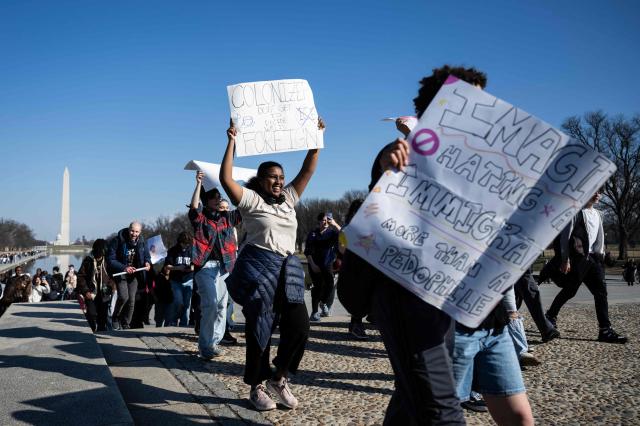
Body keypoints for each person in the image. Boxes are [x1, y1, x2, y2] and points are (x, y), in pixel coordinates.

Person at [366, 65, 492, 424]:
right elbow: (374, 222)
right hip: (406, 296)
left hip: (443, 300)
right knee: (442, 410)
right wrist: (385, 168)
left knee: (413, 397)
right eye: (474, 100)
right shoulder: (401, 154)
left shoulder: (477, 164)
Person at [221, 117, 324, 411]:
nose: (279, 181)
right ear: (261, 178)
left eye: (281, 176)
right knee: (260, 329)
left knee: (300, 327)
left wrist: (316, 136)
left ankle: (279, 378)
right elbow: (227, 179)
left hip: (288, 272)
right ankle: (256, 387)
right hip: (259, 271)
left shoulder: (289, 198)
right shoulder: (252, 200)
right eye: (273, 177)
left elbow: (309, 167)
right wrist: (231, 142)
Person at [545, 190, 628, 344]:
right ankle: (550, 315)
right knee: (570, 290)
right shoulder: (576, 212)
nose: (597, 194)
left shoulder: (598, 214)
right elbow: (565, 237)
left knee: (601, 293)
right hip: (578, 259)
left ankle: (605, 330)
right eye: (594, 190)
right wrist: (565, 259)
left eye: (600, 192)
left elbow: (599, 238)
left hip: (594, 260)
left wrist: (601, 255)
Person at [452, 296, 534, 426]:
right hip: (447, 326)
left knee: (519, 419)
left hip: (494, 325)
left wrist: (510, 307)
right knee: (440, 416)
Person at [189, 171, 242, 359]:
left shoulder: (227, 217)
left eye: (219, 197)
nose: (217, 200)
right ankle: (205, 346)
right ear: (207, 200)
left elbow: (244, 208)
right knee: (210, 305)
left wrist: (238, 185)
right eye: (213, 197)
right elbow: (194, 208)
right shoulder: (200, 219)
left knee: (221, 307)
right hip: (205, 268)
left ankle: (214, 342)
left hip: (224, 268)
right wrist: (198, 184)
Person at [107, 221, 152, 330]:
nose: (134, 234)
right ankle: (115, 317)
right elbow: (110, 259)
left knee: (132, 300)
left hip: (135, 274)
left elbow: (147, 256)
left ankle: (126, 322)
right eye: (132, 231)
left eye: (137, 232)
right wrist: (124, 267)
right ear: (128, 229)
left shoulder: (142, 241)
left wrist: (147, 263)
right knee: (123, 296)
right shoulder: (117, 240)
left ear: (140, 232)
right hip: (121, 272)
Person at [305, 212, 341, 321]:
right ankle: (314, 313)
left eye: (327, 220)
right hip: (315, 264)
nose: (325, 222)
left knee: (330, 284)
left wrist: (335, 224)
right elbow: (308, 251)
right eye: (322, 220)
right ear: (318, 221)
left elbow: (345, 236)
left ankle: (323, 302)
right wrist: (312, 265)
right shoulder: (313, 234)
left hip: (328, 264)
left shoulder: (332, 233)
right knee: (318, 287)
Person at [76, 239, 116, 332]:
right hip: (91, 293)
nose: (100, 255)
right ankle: (92, 331)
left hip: (104, 294)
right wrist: (85, 291)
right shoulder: (88, 260)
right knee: (91, 314)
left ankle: (101, 335)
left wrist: (110, 286)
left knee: (102, 318)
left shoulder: (107, 260)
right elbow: (81, 277)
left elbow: (113, 276)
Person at [164, 232, 194, 327]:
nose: (186, 245)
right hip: (176, 281)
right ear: (180, 242)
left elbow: (196, 263)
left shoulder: (192, 250)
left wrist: (192, 267)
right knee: (178, 302)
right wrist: (178, 268)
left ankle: (184, 324)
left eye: (188, 244)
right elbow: (167, 266)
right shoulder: (173, 251)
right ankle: (173, 320)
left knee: (186, 304)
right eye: (184, 243)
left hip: (189, 280)